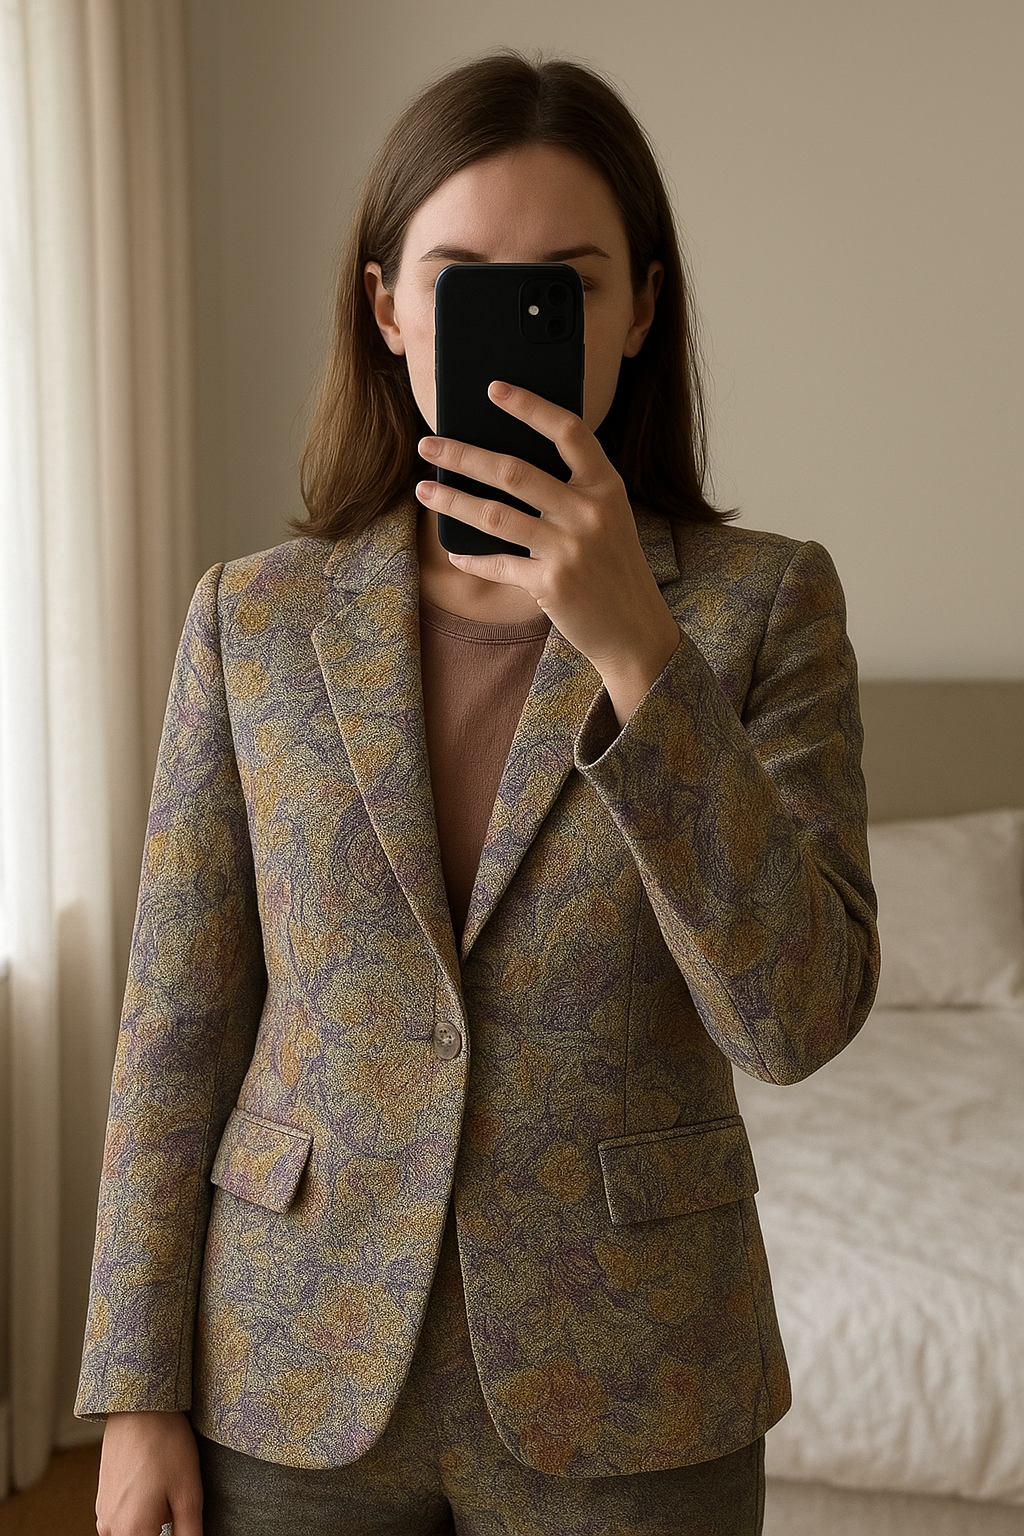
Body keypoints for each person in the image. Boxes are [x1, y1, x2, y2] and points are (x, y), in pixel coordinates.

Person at [78, 52, 879, 1536]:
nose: (515, 327)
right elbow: (174, 1029)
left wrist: (639, 651)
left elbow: (799, 1016)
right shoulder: (254, 621)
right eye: (463, 283)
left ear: (640, 308)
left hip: (635, 1382)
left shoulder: (763, 608)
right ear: (388, 308)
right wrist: (136, 1393)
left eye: (566, 285)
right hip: (291, 1367)